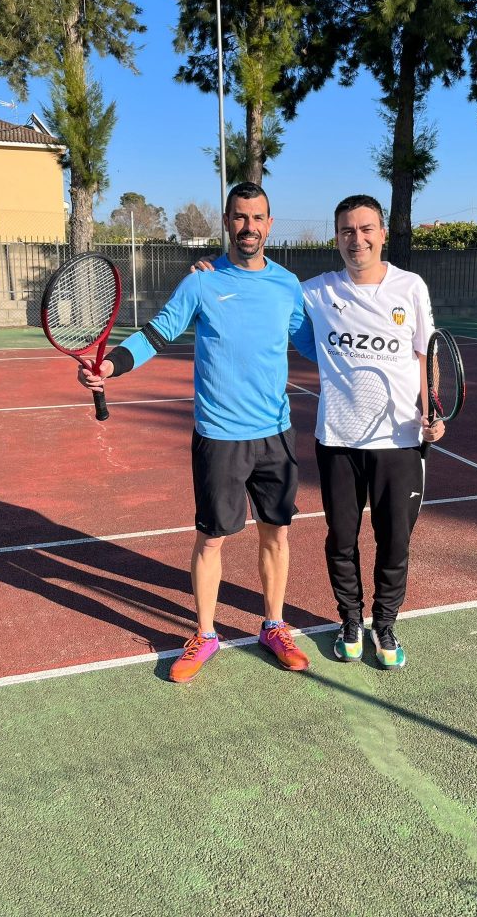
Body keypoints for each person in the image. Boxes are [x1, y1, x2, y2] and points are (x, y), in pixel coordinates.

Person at [77, 181, 317, 683]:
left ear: (269, 225)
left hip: (275, 434)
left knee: (277, 533)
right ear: (227, 222)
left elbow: (315, 345)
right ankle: (206, 634)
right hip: (219, 435)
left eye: (257, 218)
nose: (249, 227)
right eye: (240, 217)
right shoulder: (201, 282)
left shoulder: (287, 285)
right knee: (211, 540)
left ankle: (274, 626)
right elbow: (157, 333)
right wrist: (111, 366)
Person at [301, 194, 444, 669]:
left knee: (394, 542)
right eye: (347, 230)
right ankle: (350, 620)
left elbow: (425, 355)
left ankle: (384, 623)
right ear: (336, 237)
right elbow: (263, 286)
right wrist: (213, 270)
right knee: (341, 539)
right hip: (337, 441)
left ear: (382, 234)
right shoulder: (316, 291)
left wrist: (433, 409)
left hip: (399, 442)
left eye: (366, 229)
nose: (356, 239)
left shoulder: (411, 287)